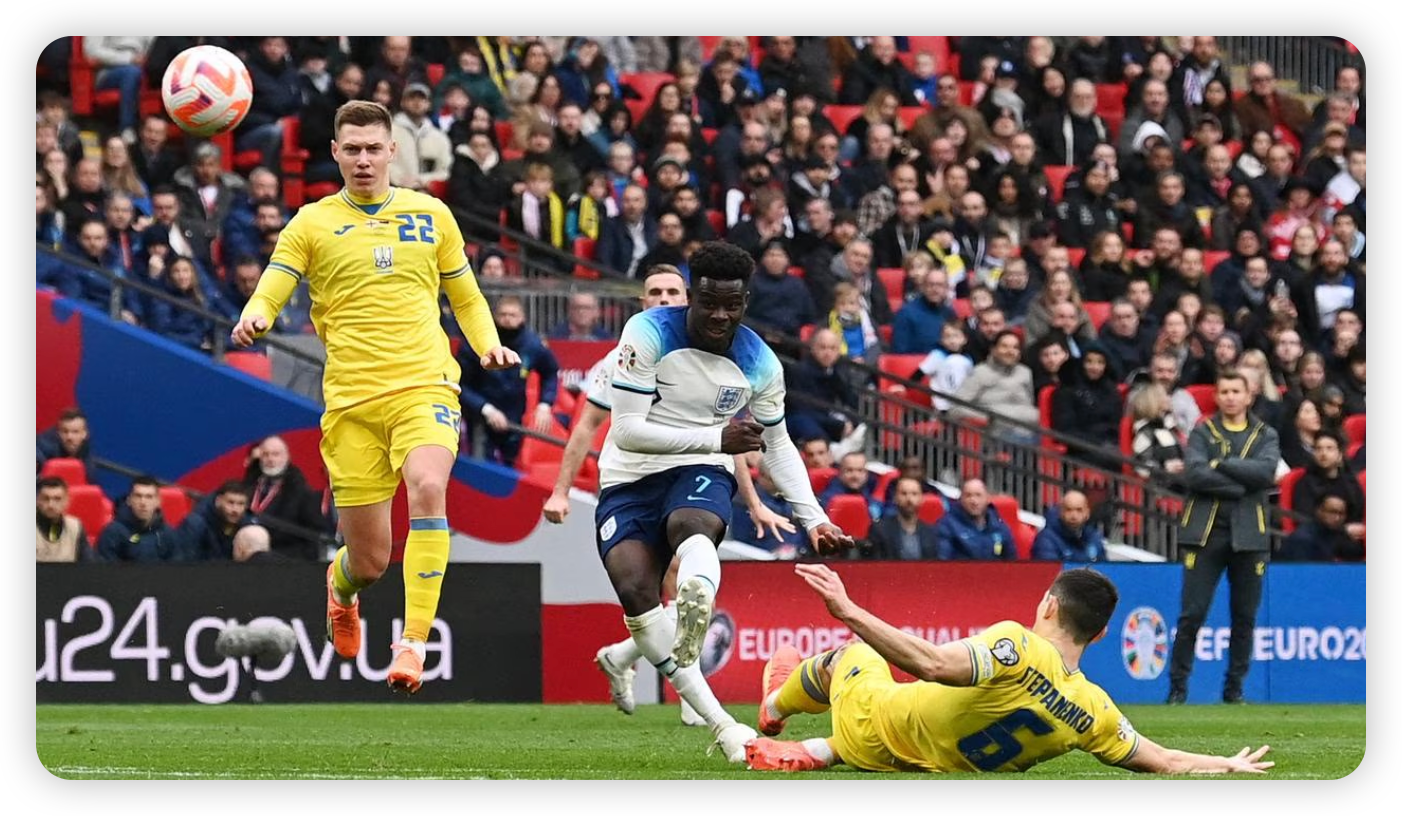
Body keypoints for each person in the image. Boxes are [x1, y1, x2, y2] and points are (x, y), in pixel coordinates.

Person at [230, 100, 520, 695]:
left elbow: (464, 296)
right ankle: (340, 594)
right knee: (368, 562)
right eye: (352, 149)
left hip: (425, 385)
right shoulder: (310, 223)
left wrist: (487, 345)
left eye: (373, 148)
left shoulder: (431, 214)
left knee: (430, 486)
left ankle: (413, 642)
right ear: (336, 153)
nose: (363, 159)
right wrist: (256, 316)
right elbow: (276, 283)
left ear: (393, 151)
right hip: (352, 406)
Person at [590, 241, 853, 762]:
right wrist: (716, 440)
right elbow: (627, 431)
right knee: (636, 591)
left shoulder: (760, 362)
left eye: (730, 305)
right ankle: (664, 663)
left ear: (745, 301)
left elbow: (777, 447)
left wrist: (815, 518)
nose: (719, 315)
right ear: (691, 295)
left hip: (699, 469)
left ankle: (724, 718)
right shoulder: (646, 334)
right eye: (708, 302)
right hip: (628, 475)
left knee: (694, 523)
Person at [539, 266, 793, 724]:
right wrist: (561, 491)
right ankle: (667, 679)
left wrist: (754, 501)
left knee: (688, 581)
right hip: (636, 481)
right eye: (653, 292)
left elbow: (725, 436)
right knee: (673, 587)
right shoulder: (619, 358)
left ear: (687, 298)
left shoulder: (717, 357)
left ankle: (629, 662)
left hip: (690, 475)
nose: (662, 299)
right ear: (642, 301)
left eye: (671, 291)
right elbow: (586, 428)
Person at [744, 564, 1274, 774]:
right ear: (1102, 634)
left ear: (1047, 605)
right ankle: (818, 752)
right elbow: (1162, 760)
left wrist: (849, 611)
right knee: (917, 718)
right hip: (927, 764)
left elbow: (930, 662)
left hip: (880, 728)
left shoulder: (1017, 645)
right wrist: (1227, 765)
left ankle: (773, 708)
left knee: (855, 659)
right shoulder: (1096, 711)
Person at [1168, 371, 1280, 705]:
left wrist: (1221, 463)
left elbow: (1265, 473)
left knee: (1244, 617)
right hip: (1204, 533)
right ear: (1216, 397)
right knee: (1192, 614)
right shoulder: (1204, 430)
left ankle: (1234, 690)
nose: (1230, 397)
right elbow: (1194, 474)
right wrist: (1241, 486)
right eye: (1224, 391)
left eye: (1236, 391)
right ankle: (1177, 688)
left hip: (1250, 534)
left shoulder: (1265, 434)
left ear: (1249, 396)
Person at [932, 478, 1016, 560]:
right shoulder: (947, 525)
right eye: (968, 496)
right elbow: (943, 560)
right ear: (961, 499)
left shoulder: (999, 526)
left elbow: (1011, 562)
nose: (974, 501)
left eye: (978, 495)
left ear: (988, 498)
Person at [96, 477, 176, 562]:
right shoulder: (112, 533)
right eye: (138, 496)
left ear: (158, 502)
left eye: (149, 497)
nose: (143, 502)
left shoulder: (167, 533)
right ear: (129, 500)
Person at [178, 480, 256, 562]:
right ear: (218, 501)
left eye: (241, 504)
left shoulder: (248, 523)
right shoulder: (197, 522)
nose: (235, 510)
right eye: (230, 502)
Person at [866, 476, 940, 560]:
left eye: (914, 494)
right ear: (895, 497)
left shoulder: (930, 532)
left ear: (921, 498)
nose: (909, 499)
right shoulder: (879, 530)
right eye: (904, 493)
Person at [1030, 490, 1106, 562]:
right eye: (1068, 510)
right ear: (1061, 512)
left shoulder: (1094, 537)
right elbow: (1048, 572)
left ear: (1087, 513)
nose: (1074, 516)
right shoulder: (1046, 540)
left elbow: (1106, 569)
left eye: (1079, 510)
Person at [36, 477, 91, 563]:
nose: (51, 505)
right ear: (38, 501)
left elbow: (89, 566)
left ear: (67, 501)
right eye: (46, 499)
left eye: (57, 499)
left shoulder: (75, 527)